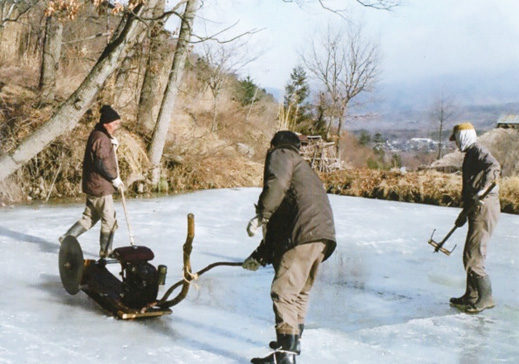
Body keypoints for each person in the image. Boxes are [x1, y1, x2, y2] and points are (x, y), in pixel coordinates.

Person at [244, 130, 336, 364]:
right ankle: (291, 347)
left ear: (274, 144)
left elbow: (277, 185)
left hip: (303, 234)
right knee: (299, 293)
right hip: (321, 236)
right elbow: (280, 220)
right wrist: (260, 255)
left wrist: (261, 215)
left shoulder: (282, 154)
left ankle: (285, 356)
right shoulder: (304, 169)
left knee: (283, 291)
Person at [59, 105, 124, 258]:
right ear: (106, 123)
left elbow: (102, 157)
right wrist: (114, 179)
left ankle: (67, 238)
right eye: (115, 124)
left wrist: (111, 142)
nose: (116, 127)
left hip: (93, 185)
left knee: (89, 217)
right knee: (109, 220)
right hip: (100, 187)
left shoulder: (98, 134)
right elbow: (102, 163)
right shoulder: (101, 138)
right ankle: (106, 251)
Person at [448, 122, 500, 313]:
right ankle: (471, 295)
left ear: (464, 136)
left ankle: (486, 298)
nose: (455, 145)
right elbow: (471, 189)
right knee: (472, 253)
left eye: (456, 140)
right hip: (476, 207)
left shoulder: (478, 151)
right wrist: (463, 215)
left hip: (484, 207)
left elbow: (494, 167)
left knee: (473, 254)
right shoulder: (470, 153)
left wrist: (484, 189)